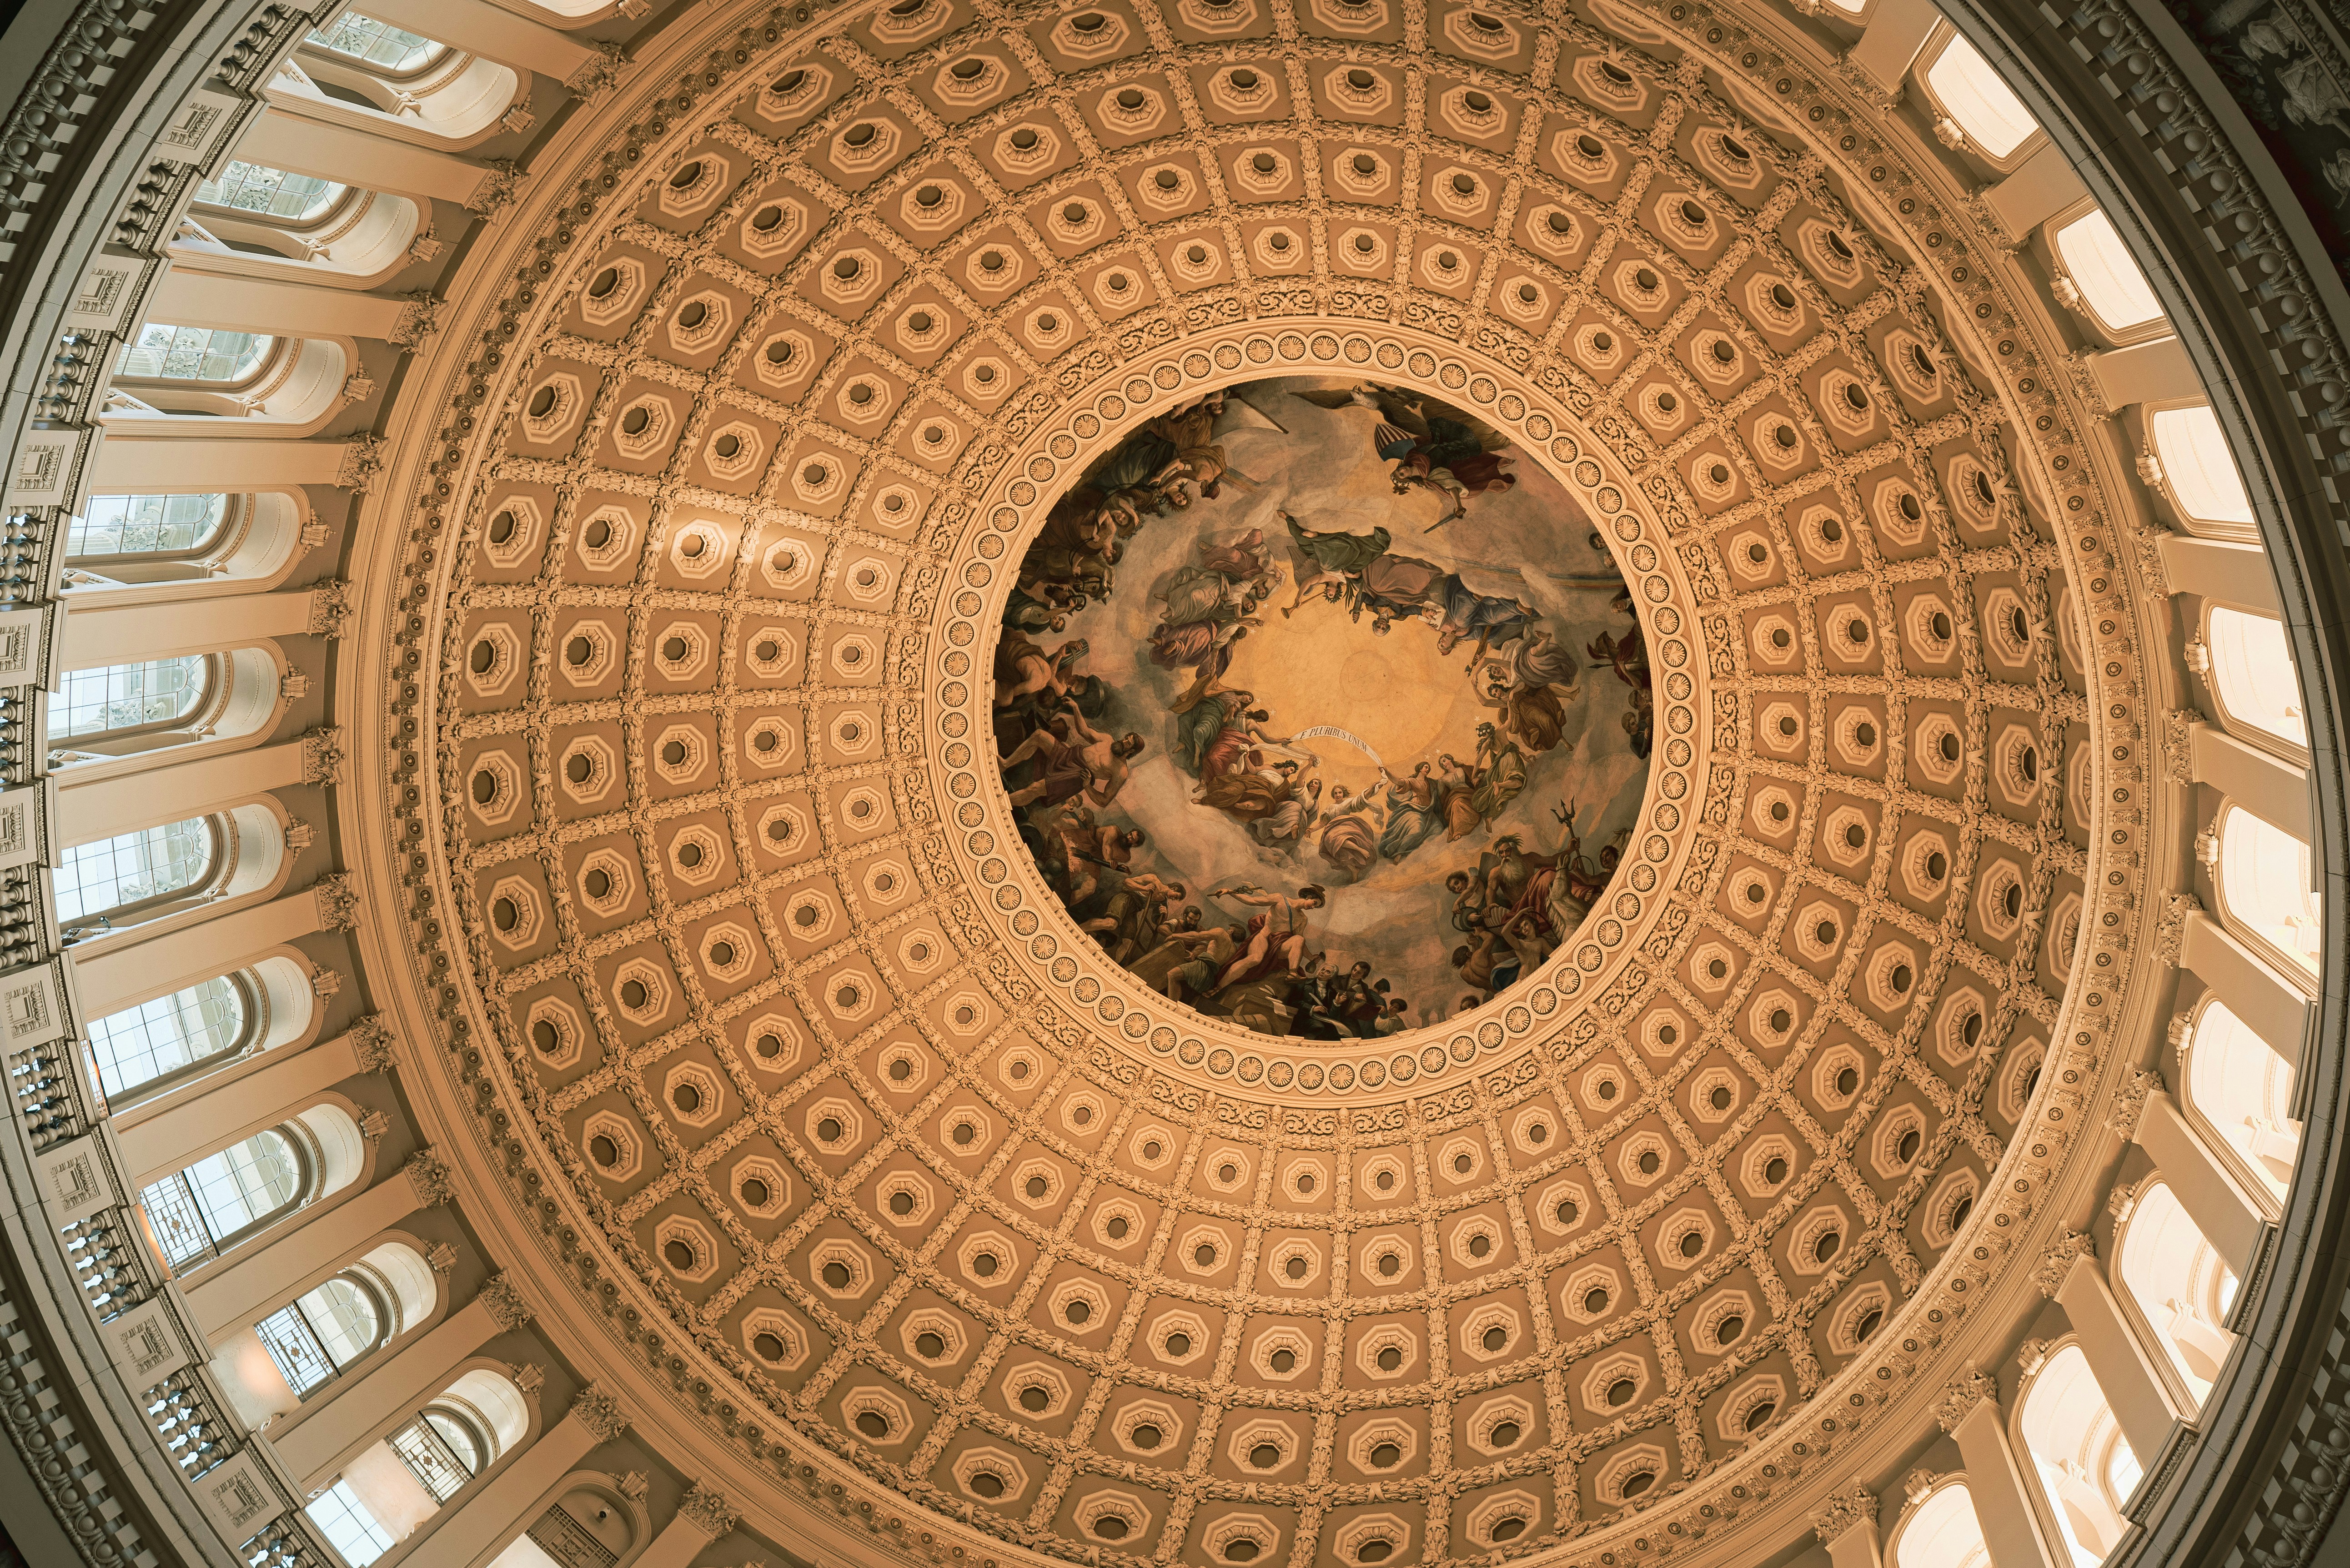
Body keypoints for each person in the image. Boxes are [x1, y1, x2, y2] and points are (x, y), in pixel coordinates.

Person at [999, 704, 1145, 809]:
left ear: (1131, 752)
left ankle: (999, 804)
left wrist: (1087, 786)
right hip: (1069, 755)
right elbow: (1085, 731)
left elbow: (1104, 800)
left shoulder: (1122, 772)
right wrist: (1075, 707)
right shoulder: (1108, 739)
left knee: (1035, 788)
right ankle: (1005, 765)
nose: (1124, 741)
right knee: (1039, 736)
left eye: (1128, 743)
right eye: (1126, 738)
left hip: (1076, 776)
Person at [1210, 885, 1326, 994]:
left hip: (1279, 947)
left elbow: (1300, 942)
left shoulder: (1302, 919)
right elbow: (1252, 901)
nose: (1313, 907)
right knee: (1254, 959)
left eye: (1316, 907)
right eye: (1315, 903)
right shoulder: (1280, 899)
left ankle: (1292, 973)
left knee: (1299, 939)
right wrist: (1230, 892)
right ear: (1309, 897)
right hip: (1264, 938)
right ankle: (1218, 988)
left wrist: (1311, 957)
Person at [1317, 781, 1381, 879]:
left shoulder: (1349, 802)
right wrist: (1311, 830)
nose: (1338, 795)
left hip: (1347, 826)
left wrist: (1372, 787)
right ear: (1333, 795)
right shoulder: (1330, 807)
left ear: (1343, 794)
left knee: (1336, 838)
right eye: (1336, 793)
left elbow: (1361, 799)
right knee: (1337, 846)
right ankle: (1354, 870)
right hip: (1334, 828)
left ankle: (1360, 850)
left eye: (1340, 793)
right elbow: (1323, 822)